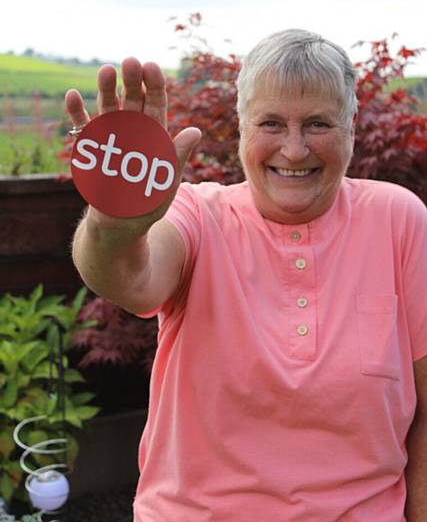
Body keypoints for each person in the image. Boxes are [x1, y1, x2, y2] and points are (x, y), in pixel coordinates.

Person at [65, 29, 427, 522]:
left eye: (318, 123)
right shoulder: (198, 213)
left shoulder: (398, 219)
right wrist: (114, 225)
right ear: (241, 126)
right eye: (271, 123)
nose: (295, 150)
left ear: (351, 125)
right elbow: (126, 278)